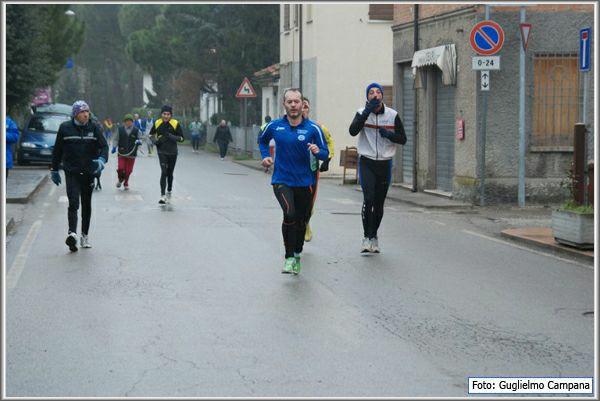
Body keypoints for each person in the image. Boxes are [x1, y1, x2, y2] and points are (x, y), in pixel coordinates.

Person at [259, 88, 329, 275]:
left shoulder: (313, 129)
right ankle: (289, 257)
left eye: (296, 101)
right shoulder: (274, 126)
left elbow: (325, 153)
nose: (293, 105)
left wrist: (317, 151)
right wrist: (265, 156)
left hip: (305, 182)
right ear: (284, 105)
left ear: (302, 105)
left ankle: (297, 252)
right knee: (289, 214)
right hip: (282, 179)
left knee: (301, 221)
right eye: (289, 102)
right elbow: (262, 140)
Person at [349, 82, 406, 253]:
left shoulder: (392, 115)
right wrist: (366, 112)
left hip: (384, 163)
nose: (375, 95)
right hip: (367, 161)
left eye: (378, 92)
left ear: (382, 96)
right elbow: (352, 131)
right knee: (369, 198)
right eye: (371, 92)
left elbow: (403, 139)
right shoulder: (361, 113)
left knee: (379, 203)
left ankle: (374, 236)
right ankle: (366, 237)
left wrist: (389, 134)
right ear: (367, 97)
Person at [50, 100, 108, 251]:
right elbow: (57, 151)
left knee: (86, 205)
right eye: (82, 112)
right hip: (72, 172)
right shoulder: (65, 128)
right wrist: (54, 169)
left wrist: (102, 160)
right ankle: (72, 234)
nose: (85, 114)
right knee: (73, 202)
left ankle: (84, 236)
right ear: (75, 114)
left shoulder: (94, 127)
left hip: (89, 172)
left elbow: (104, 147)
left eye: (87, 111)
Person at [301, 97, 335, 242]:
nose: (302, 109)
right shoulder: (285, 126)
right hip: (291, 170)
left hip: (311, 169)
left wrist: (327, 159)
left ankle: (305, 224)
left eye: (305, 106)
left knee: (309, 203)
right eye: (299, 105)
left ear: (309, 109)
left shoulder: (317, 127)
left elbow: (329, 142)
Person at [149, 105, 184, 205]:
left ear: (171, 115)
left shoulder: (175, 123)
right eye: (164, 114)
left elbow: (182, 138)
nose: (166, 116)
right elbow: (151, 135)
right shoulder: (157, 122)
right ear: (161, 114)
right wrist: (155, 141)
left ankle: (169, 190)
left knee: (170, 173)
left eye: (168, 114)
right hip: (162, 152)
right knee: (163, 172)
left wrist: (172, 136)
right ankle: (162, 195)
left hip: (173, 152)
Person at [112, 114, 142, 190]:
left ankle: (126, 182)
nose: (128, 122)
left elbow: (140, 138)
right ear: (124, 122)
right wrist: (114, 147)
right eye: (127, 121)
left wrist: (139, 142)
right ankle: (120, 179)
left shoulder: (136, 130)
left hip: (132, 154)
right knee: (121, 168)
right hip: (122, 153)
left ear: (132, 122)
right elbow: (115, 139)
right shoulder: (120, 129)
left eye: (130, 121)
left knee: (128, 171)